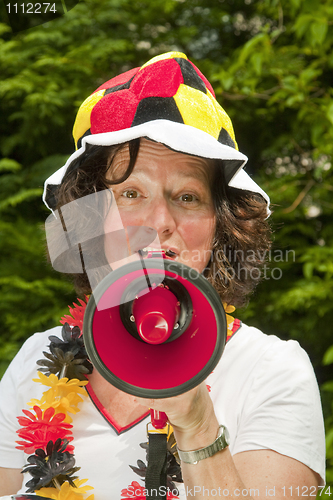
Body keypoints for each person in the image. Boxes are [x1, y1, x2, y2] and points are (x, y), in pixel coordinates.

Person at [0, 52, 325, 500]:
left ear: (220, 225)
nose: (158, 221)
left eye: (187, 197)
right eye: (131, 193)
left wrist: (197, 424)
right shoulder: (36, 360)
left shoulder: (272, 369)